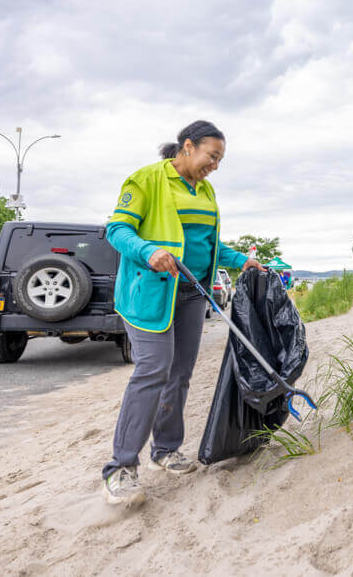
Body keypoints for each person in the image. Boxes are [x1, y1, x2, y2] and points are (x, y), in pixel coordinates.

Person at [102, 120, 264, 506]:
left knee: (180, 374)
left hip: (192, 293)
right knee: (152, 369)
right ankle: (120, 469)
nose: (216, 165)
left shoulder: (205, 190)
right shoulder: (145, 180)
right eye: (212, 156)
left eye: (220, 159)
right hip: (151, 294)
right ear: (188, 147)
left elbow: (210, 246)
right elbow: (117, 230)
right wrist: (150, 252)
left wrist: (244, 261)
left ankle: (165, 449)